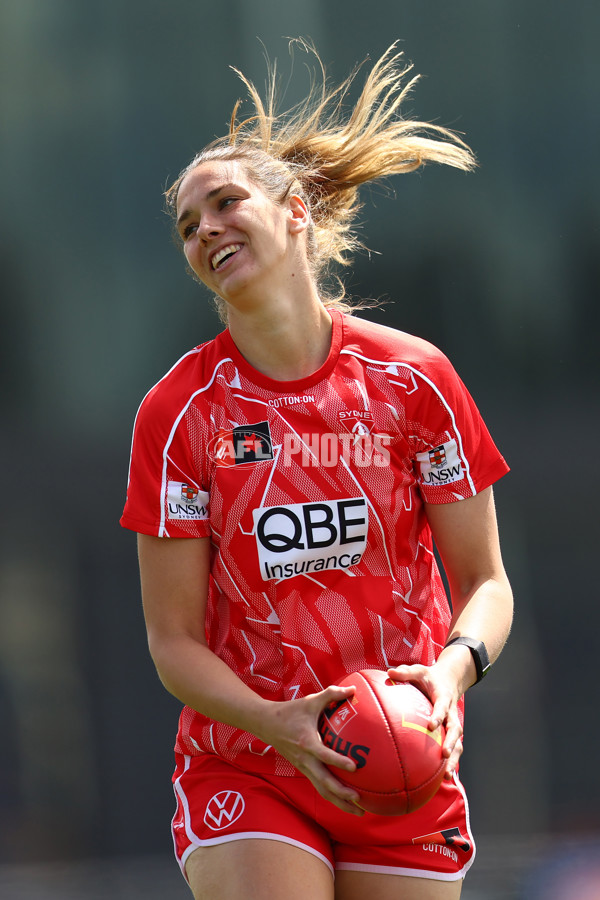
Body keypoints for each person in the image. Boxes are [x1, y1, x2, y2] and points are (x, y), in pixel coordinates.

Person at [120, 41, 513, 900]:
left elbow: (486, 582)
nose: (206, 230)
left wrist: (447, 678)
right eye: (189, 226)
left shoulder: (418, 380)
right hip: (249, 763)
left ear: (296, 210)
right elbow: (173, 643)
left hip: (399, 757)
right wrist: (280, 726)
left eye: (227, 203)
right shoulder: (178, 412)